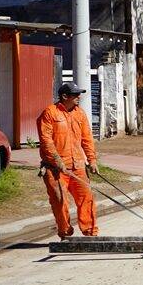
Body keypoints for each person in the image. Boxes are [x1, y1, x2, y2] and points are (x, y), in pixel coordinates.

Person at [37, 82, 99, 239]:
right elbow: (46, 141)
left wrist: (92, 160)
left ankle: (90, 233)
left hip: (78, 165)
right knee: (60, 201)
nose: (79, 97)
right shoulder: (49, 113)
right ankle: (65, 233)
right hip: (55, 169)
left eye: (79, 94)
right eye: (75, 94)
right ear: (65, 96)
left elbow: (87, 139)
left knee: (87, 198)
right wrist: (57, 161)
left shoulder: (80, 114)